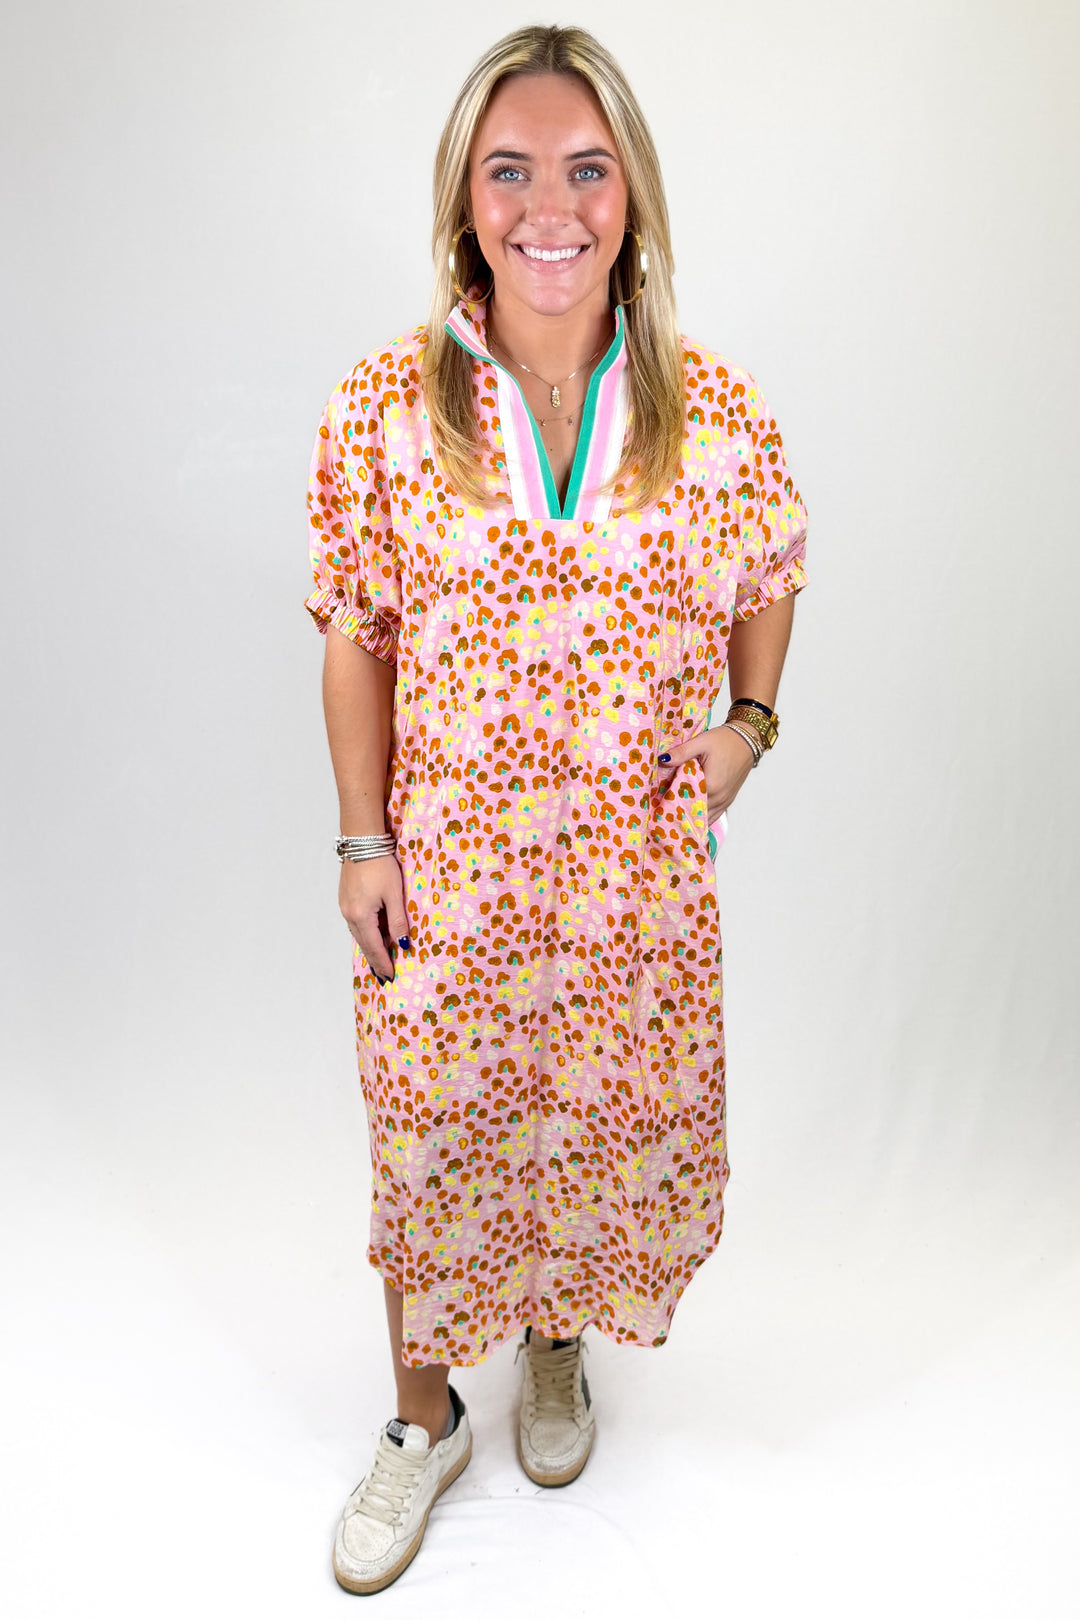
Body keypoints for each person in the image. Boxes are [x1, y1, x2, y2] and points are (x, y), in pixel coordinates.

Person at [304, 23, 808, 1595]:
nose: (551, 206)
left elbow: (773, 567)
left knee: (594, 1109)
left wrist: (746, 729)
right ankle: (417, 1422)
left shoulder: (712, 413)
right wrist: (362, 838)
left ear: (633, 199)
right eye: (510, 169)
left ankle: (554, 1340)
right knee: (431, 1129)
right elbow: (352, 629)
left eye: (587, 170)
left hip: (627, 885)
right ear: (465, 196)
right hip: (448, 874)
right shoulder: (386, 408)